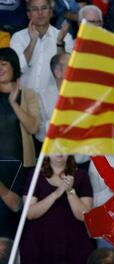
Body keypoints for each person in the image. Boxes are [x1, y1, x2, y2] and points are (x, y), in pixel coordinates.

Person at [20, 155, 94, 264]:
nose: (59, 152)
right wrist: (56, 193)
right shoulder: (35, 174)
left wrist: (70, 190)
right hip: (39, 242)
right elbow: (30, 214)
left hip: (74, 243)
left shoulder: (82, 175)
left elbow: (84, 216)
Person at [0, 47, 40, 238]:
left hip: (21, 169)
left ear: (13, 67)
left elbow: (33, 128)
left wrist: (14, 104)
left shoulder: (29, 94)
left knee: (19, 229)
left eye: (3, 64)